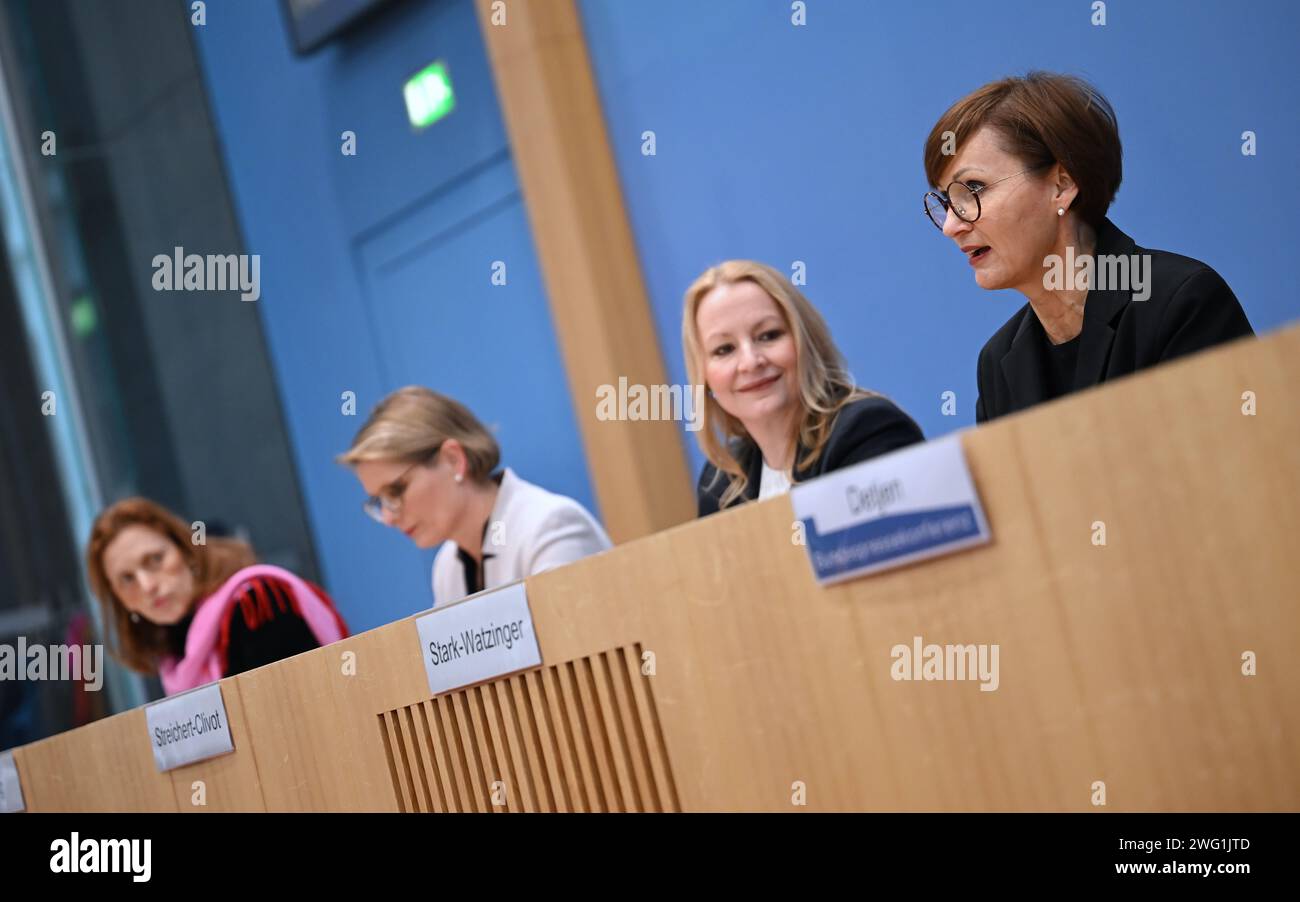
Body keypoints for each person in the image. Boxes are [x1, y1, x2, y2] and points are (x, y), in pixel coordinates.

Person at [922, 71, 1254, 423]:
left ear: (1062, 186)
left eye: (972, 189)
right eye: (946, 201)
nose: (951, 226)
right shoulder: (998, 362)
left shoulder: (1179, 303)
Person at [683, 260, 924, 516]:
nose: (751, 362)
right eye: (725, 349)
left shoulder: (866, 430)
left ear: (805, 340)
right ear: (704, 376)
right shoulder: (720, 480)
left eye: (768, 335)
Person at [339, 386, 611, 606]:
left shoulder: (550, 527)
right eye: (378, 501)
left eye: (396, 490)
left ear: (453, 459)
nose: (388, 517)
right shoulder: (447, 568)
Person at [86, 498, 348, 696]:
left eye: (155, 559)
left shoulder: (256, 602)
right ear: (120, 600)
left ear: (187, 550)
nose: (147, 585)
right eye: (127, 579)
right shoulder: (174, 662)